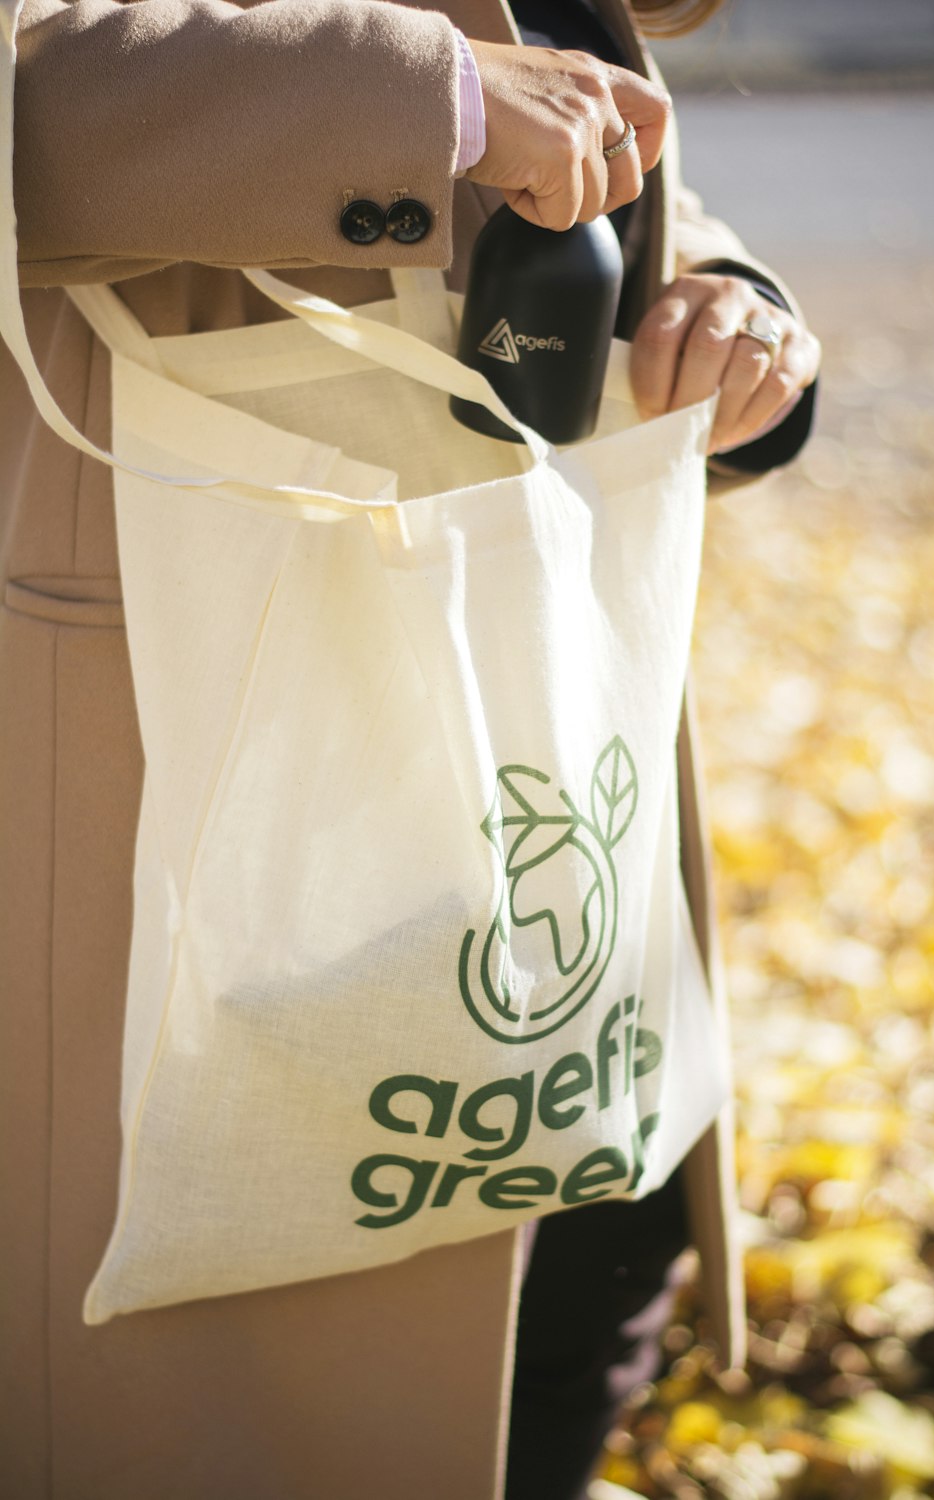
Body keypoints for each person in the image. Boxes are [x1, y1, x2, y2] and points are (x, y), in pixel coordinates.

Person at [0, 0, 819, 1496]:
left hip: (551, 727)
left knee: (578, 1303)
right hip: (214, 713)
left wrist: (728, 303)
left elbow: (605, 158)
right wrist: (423, 97)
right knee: (267, 1395)